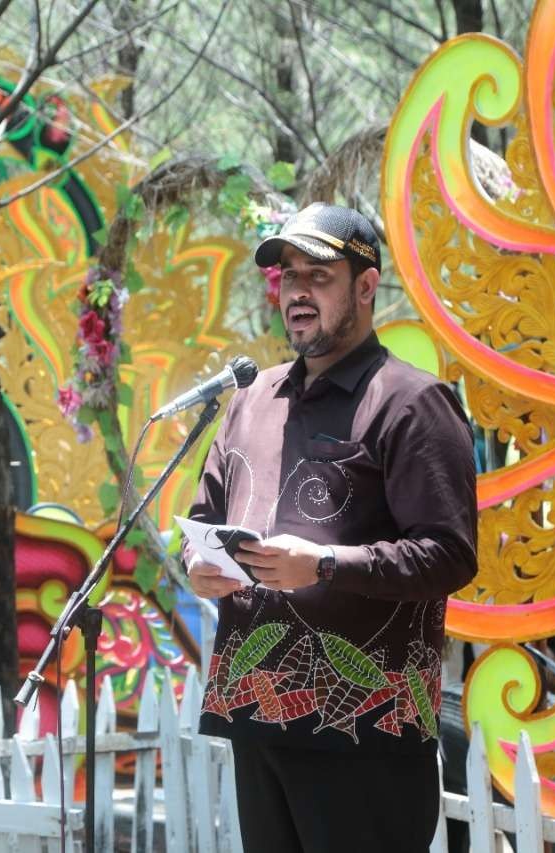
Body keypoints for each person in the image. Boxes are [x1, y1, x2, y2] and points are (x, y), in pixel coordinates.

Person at [184, 202, 478, 851]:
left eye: (318, 275)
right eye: (288, 276)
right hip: (258, 715)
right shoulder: (250, 401)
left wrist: (321, 564)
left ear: (366, 287)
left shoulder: (411, 402)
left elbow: (450, 554)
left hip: (364, 730)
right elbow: (204, 519)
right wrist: (197, 563)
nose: (297, 291)